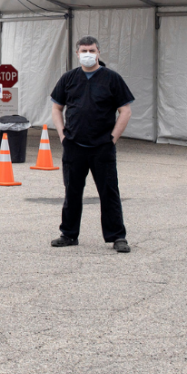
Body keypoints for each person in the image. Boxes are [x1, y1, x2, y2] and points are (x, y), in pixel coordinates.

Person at [50, 36, 134, 253]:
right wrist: (62, 135)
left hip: (102, 147)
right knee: (72, 192)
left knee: (109, 192)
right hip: (74, 146)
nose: (88, 54)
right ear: (77, 54)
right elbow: (57, 107)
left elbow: (125, 110)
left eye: (92, 50)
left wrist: (112, 138)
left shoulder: (111, 78)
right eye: (84, 50)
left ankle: (117, 236)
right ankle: (68, 234)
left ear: (99, 52)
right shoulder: (69, 78)